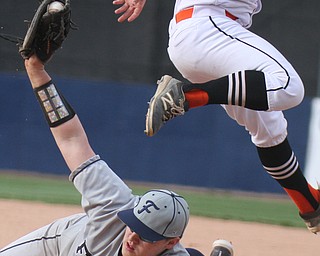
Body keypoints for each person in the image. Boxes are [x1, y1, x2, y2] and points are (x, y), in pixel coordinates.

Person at [112, 0, 320, 233]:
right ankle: (185, 96)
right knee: (287, 85)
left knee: (270, 131)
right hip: (209, 26)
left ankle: (311, 205)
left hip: (202, 35)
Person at [0, 54, 234, 256]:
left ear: (171, 243)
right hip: (57, 248)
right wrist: (36, 71)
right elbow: (71, 138)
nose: (131, 238)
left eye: (145, 236)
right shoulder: (112, 204)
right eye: (134, 225)